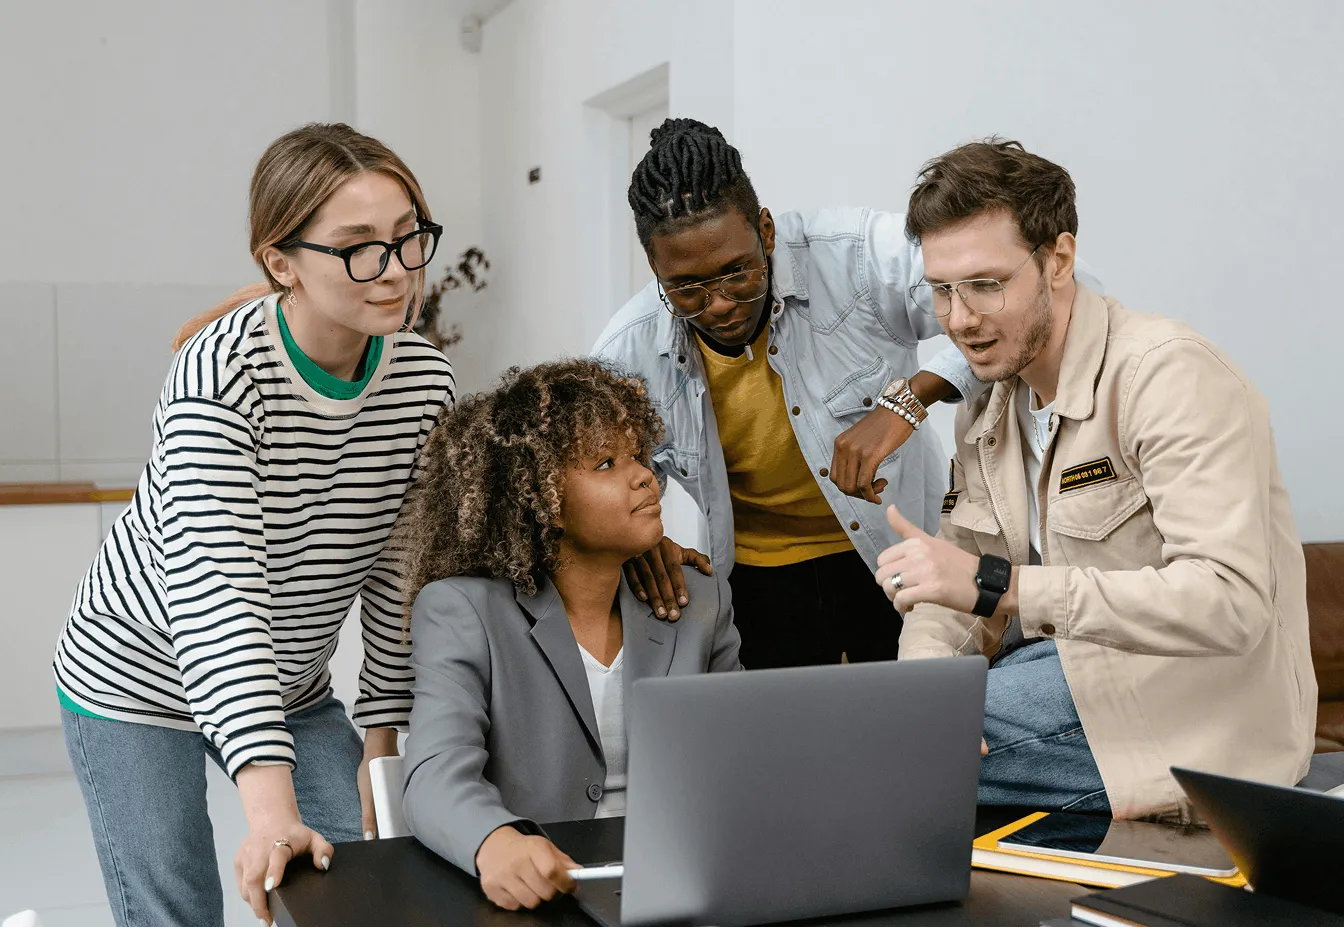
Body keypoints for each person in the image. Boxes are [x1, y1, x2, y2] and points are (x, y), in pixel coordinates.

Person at [51, 123, 455, 927]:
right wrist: (268, 809)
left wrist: (381, 751)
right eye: (359, 247)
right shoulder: (218, 378)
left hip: (293, 683)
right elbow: (217, 595)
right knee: (181, 912)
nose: (397, 272)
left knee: (362, 885)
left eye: (410, 239)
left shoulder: (422, 379)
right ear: (280, 262)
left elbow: (399, 575)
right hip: (138, 678)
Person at [875, 139, 1316, 820]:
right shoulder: (989, 407)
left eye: (987, 284)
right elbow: (950, 598)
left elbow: (1232, 601)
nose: (960, 319)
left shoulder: (1168, 375)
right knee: (884, 740)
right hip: (1073, 681)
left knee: (881, 776)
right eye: (942, 290)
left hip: (1199, 729)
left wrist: (1005, 587)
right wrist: (925, 703)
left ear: (1060, 260)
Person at [595, 118, 1104, 670]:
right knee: (794, 747)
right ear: (655, 269)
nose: (717, 303)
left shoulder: (855, 258)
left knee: (917, 729)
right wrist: (635, 541)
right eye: (686, 287)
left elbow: (1055, 299)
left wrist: (908, 400)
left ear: (765, 232)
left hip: (900, 550)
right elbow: (591, 473)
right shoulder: (630, 348)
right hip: (760, 585)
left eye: (736, 272)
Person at [398, 359, 742, 912]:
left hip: (686, 891)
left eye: (639, 456)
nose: (643, 477)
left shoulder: (698, 600)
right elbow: (434, 775)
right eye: (606, 463)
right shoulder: (464, 610)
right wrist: (494, 842)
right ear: (540, 498)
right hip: (541, 899)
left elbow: (745, 758)